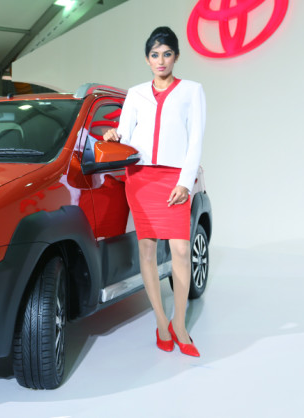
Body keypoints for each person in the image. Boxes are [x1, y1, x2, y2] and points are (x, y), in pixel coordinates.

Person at [103, 26, 205, 357]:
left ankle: (180, 324)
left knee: (180, 250)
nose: (161, 60)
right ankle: (161, 322)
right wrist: (113, 135)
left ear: (176, 56)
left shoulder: (192, 91)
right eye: (154, 55)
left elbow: (195, 140)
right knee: (146, 250)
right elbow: (124, 132)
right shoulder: (135, 94)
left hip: (174, 178)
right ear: (147, 60)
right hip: (141, 178)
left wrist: (185, 183)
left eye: (167, 54)